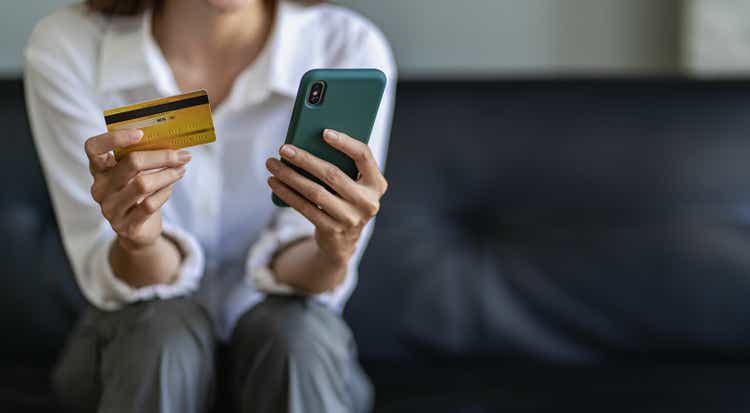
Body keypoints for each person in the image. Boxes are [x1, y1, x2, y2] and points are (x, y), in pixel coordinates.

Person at [23, 0, 395, 411]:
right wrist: (139, 243)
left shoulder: (346, 46)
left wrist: (336, 247)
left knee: (296, 337)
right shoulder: (70, 47)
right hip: (135, 347)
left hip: (292, 350)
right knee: (161, 335)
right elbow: (115, 277)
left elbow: (305, 282)